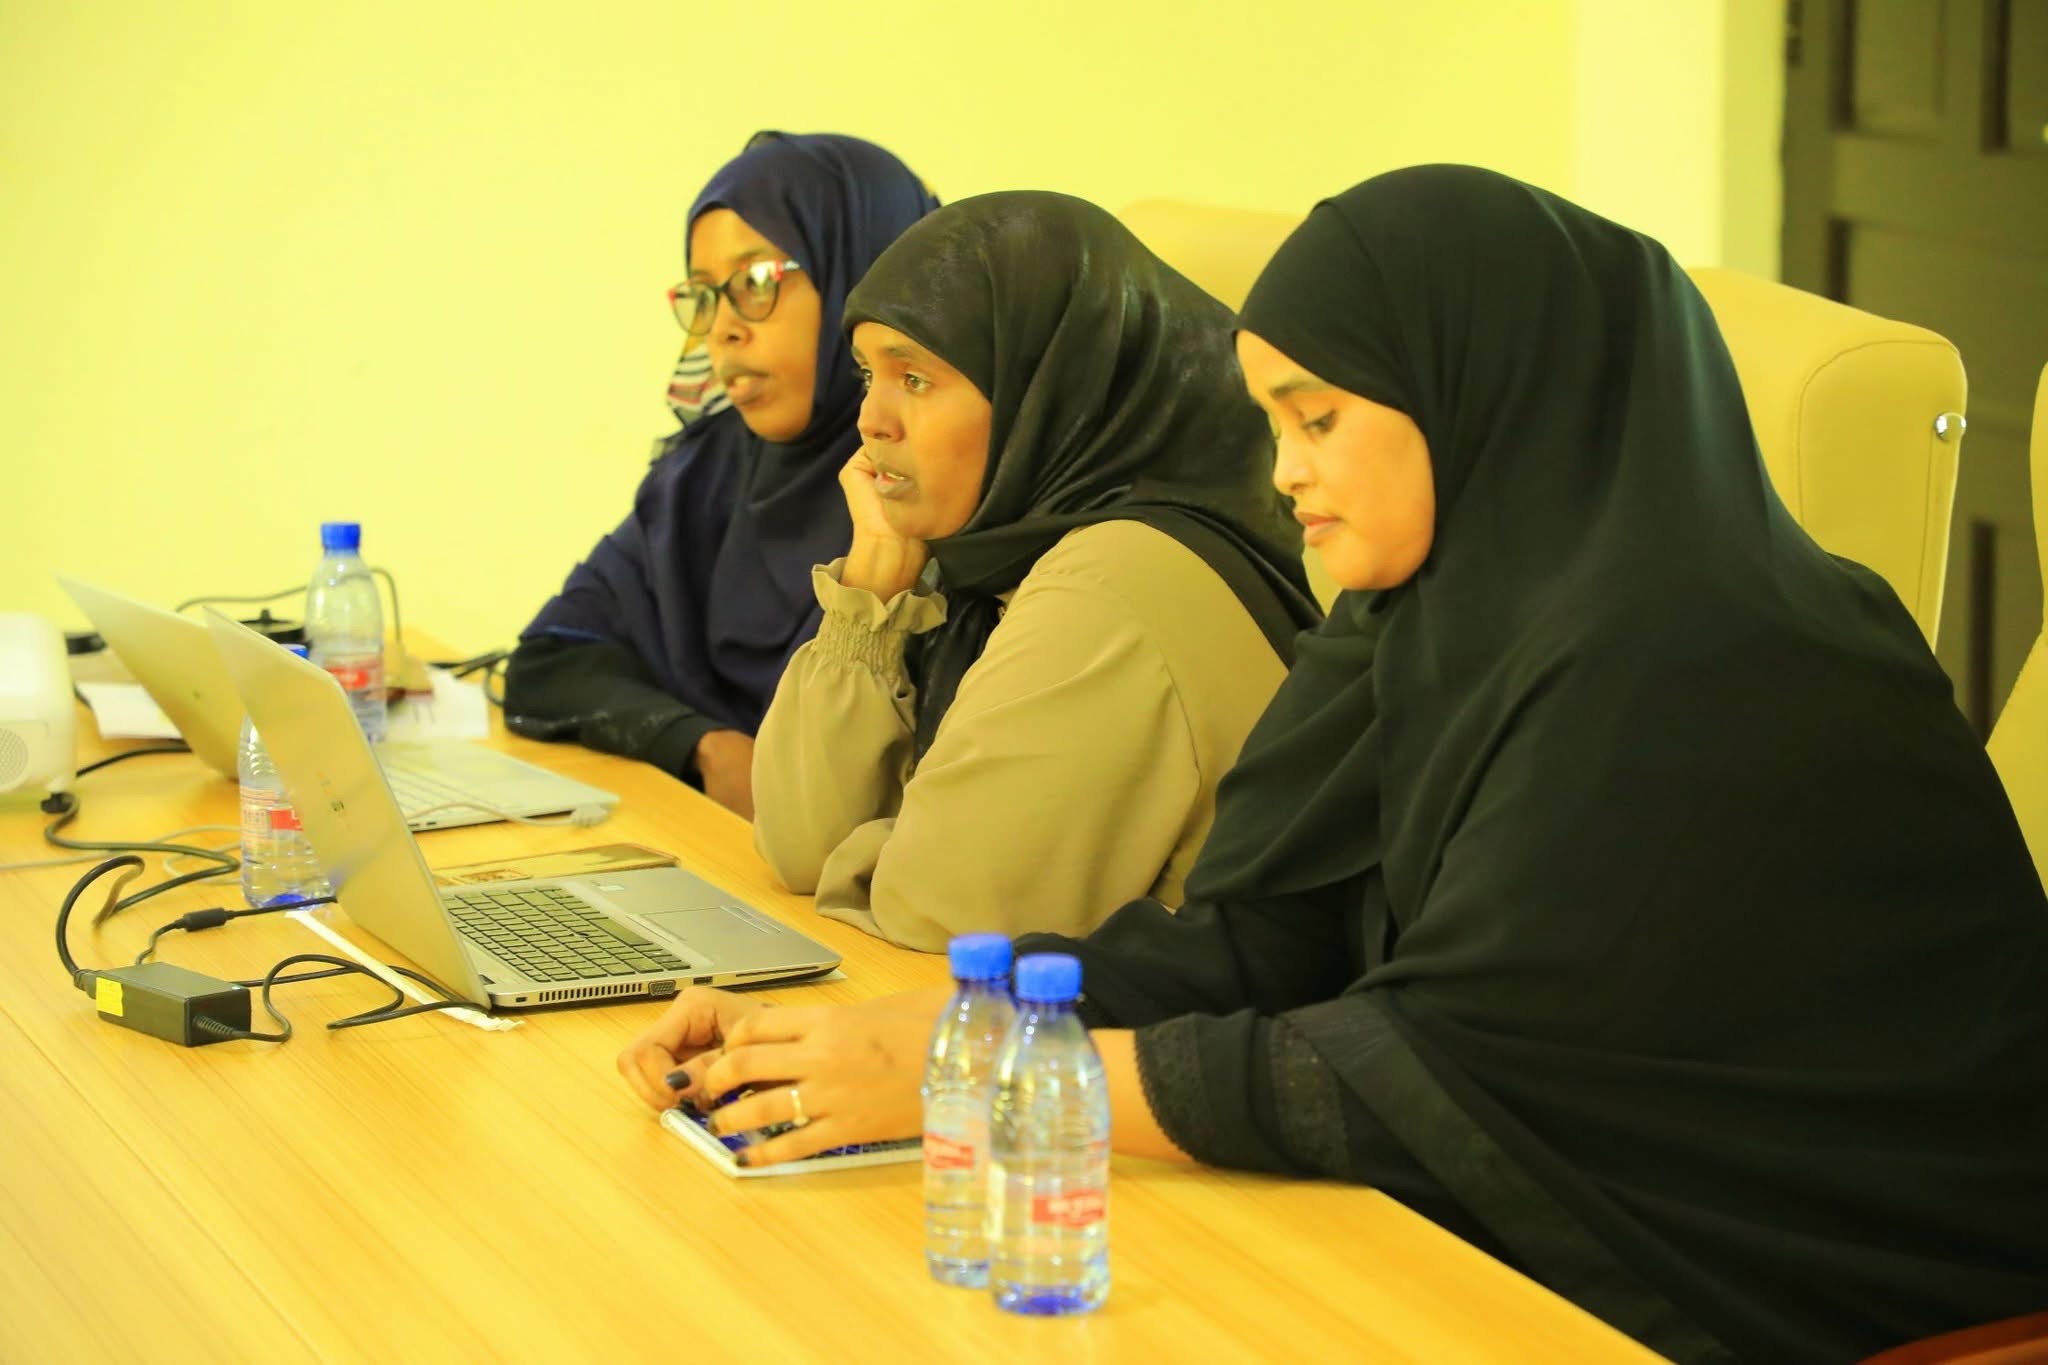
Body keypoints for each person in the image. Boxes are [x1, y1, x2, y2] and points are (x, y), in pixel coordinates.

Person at [620, 167, 2048, 1362]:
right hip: (1580, 1225)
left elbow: (1435, 1071)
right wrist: (918, 1030)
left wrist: (978, 1072)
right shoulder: (1422, 619)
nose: (1285, 470)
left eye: (1319, 420)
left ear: (1478, 391)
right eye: (1273, 423)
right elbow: (1258, 938)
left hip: (1841, 1294)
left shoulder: (1711, 656)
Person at [748, 191, 1321, 949]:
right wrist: (876, 584)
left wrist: (881, 850)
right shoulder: (992, 563)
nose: (869, 421)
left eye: (914, 379)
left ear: (1047, 391)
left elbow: (945, 913)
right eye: (866, 376)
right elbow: (797, 843)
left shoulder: (1115, 581)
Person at [504, 133, 938, 818]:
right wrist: (705, 746)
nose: (723, 330)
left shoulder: (939, 498)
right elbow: (549, 661)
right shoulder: (701, 475)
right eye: (705, 295)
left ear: (866, 279)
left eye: (757, 281)